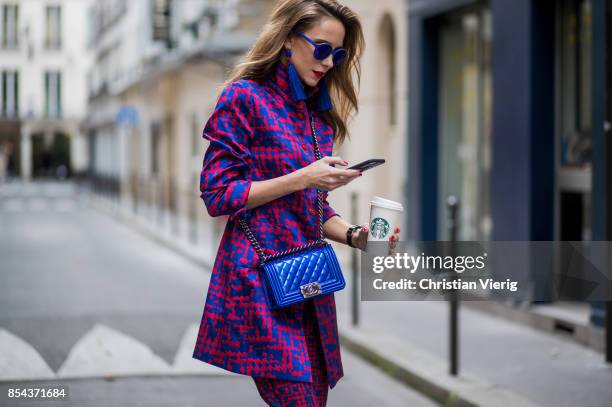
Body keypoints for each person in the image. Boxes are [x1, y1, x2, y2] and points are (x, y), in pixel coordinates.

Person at [192, 1, 400, 405]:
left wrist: (357, 237)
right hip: (259, 281)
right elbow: (217, 193)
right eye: (321, 48)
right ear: (289, 39)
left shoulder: (317, 116)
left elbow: (312, 208)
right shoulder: (244, 98)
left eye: (337, 54)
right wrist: (306, 176)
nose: (328, 62)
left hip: (308, 283)